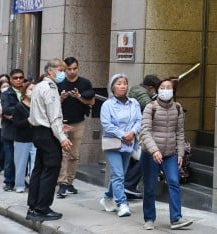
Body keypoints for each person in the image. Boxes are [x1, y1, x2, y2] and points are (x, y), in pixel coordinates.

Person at [140, 78, 192, 230]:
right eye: (162, 87)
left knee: (174, 182)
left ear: (173, 91)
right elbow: (145, 131)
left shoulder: (178, 108)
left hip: (170, 153)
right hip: (150, 154)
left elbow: (180, 132)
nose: (165, 89)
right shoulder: (151, 107)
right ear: (157, 90)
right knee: (150, 186)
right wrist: (154, 150)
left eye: (169, 87)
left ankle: (176, 218)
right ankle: (149, 218)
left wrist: (180, 153)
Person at [27, 60, 73, 221]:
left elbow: (42, 114)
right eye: (60, 70)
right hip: (47, 134)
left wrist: (59, 128)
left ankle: (33, 205)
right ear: (50, 70)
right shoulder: (50, 88)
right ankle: (42, 208)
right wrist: (62, 138)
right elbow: (53, 117)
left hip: (39, 132)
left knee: (39, 169)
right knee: (50, 170)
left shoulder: (38, 86)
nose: (63, 73)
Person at [99, 74, 142, 218]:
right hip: (114, 143)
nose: (123, 86)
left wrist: (132, 132)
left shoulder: (134, 103)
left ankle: (106, 198)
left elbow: (139, 120)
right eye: (119, 83)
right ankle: (122, 203)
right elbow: (107, 125)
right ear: (112, 87)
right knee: (117, 174)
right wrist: (124, 134)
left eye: (125, 83)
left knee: (120, 174)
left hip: (129, 143)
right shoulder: (108, 105)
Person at [56, 57, 95, 198]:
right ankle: (62, 182)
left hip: (78, 122)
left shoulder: (84, 83)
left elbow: (92, 101)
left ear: (78, 68)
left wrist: (78, 96)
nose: (72, 72)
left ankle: (70, 181)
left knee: (74, 154)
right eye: (69, 69)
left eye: (74, 68)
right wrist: (62, 98)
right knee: (63, 154)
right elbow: (52, 103)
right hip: (61, 123)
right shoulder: (59, 83)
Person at [124, 74, 161, 198]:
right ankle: (129, 184)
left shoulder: (137, 90)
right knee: (144, 157)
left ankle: (128, 185)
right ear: (150, 87)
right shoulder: (141, 94)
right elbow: (149, 105)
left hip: (133, 129)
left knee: (135, 157)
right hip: (137, 130)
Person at [0, 70, 26, 191]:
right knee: (10, 158)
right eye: (15, 78)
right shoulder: (6, 93)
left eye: (21, 77)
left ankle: (20, 179)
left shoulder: (26, 91)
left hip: (24, 130)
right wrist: (22, 108)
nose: (18, 80)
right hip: (9, 131)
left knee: (22, 158)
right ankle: (9, 181)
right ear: (10, 79)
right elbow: (7, 110)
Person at [9, 79, 36, 193]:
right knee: (21, 164)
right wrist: (28, 120)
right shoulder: (19, 107)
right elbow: (16, 123)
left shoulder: (36, 106)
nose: (33, 92)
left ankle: (34, 184)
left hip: (35, 139)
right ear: (25, 91)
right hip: (22, 139)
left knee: (35, 164)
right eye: (31, 89)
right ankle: (19, 185)